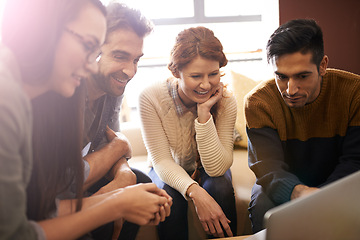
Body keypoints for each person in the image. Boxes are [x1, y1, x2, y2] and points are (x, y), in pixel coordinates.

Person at [0, 0, 171, 239]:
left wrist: (122, 180)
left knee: (137, 181)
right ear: (48, 30)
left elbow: (44, 201)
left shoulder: (36, 89)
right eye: (89, 46)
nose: (92, 65)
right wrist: (116, 202)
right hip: (54, 196)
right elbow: (45, 203)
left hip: (52, 196)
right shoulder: (21, 100)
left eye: (136, 60)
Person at [244, 19, 360, 233]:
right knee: (262, 203)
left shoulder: (354, 93)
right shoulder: (259, 102)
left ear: (323, 65)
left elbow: (355, 161)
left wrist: (320, 197)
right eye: (281, 76)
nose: (290, 90)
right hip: (285, 182)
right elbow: (268, 167)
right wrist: (298, 192)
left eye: (302, 76)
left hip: (339, 180)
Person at [139, 26, 238, 239]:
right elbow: (162, 162)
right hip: (168, 165)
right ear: (176, 72)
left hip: (209, 167)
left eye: (213, 74)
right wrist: (195, 191)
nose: (206, 84)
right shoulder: (150, 97)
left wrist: (204, 114)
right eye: (195, 76)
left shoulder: (226, 101)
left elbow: (218, 167)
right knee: (169, 196)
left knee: (219, 186)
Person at [80, 3, 157, 239]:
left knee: (140, 181)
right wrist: (120, 146)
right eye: (120, 57)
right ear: (92, 49)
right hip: (57, 189)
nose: (130, 72)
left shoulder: (113, 88)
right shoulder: (68, 91)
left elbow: (111, 141)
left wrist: (124, 173)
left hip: (81, 175)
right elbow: (63, 183)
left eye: (136, 60)